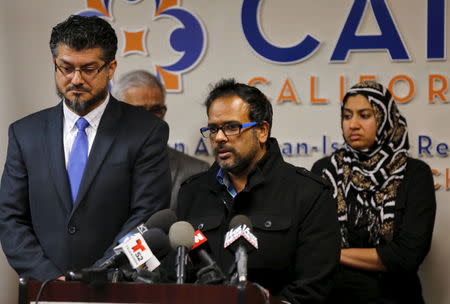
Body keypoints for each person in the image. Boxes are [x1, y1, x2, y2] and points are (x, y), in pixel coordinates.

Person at [0, 15, 171, 281]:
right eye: (66, 68)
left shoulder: (147, 132)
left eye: (89, 69)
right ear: (54, 64)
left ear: (111, 68)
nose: (76, 79)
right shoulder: (25, 134)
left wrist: (98, 275)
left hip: (115, 289)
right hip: (44, 291)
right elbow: (10, 219)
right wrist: (52, 280)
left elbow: (145, 217)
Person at [176, 79, 340, 304]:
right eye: (213, 129)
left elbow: (312, 289)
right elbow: (176, 278)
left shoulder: (309, 194)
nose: (219, 138)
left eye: (232, 127)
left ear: (262, 131)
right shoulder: (191, 192)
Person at [311, 80, 436, 303]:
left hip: (394, 297)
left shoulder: (414, 174)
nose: (353, 124)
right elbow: (311, 243)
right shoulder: (326, 170)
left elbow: (407, 256)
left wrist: (334, 255)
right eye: (347, 116)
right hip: (333, 296)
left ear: (385, 117)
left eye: (365, 115)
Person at [113, 70, 209, 210]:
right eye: (139, 110)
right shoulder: (94, 168)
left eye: (156, 109)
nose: (149, 119)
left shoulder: (197, 172)